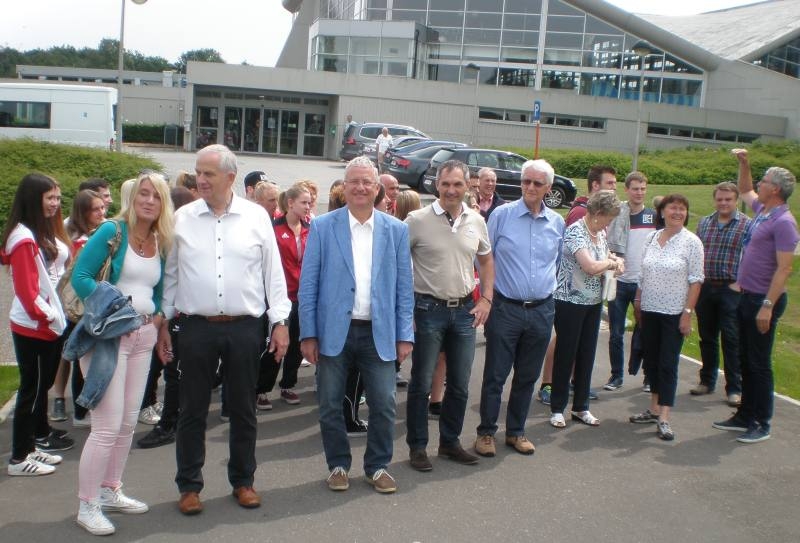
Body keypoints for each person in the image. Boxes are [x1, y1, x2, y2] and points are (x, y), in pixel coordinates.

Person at [158, 144, 291, 515]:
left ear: (230, 177)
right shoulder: (182, 218)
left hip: (245, 327)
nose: (200, 179)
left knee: (244, 408)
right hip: (196, 327)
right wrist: (165, 322)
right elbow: (172, 275)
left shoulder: (256, 217)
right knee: (192, 409)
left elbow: (272, 274)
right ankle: (189, 486)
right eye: (198, 172)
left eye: (209, 174)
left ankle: (243, 481)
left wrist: (279, 321)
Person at [298, 155, 414, 494]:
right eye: (354, 182)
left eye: (367, 182)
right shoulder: (323, 226)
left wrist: (405, 335)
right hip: (335, 332)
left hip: (379, 333)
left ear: (377, 189)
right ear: (344, 187)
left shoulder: (396, 230)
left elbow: (404, 288)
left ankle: (377, 466)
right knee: (331, 403)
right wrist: (308, 333)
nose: (361, 187)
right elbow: (309, 285)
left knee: (384, 403)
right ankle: (338, 465)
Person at [69, 172, 173, 535]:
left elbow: (156, 287)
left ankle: (111, 489)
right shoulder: (112, 231)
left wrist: (157, 315)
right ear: (134, 197)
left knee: (128, 422)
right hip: (108, 339)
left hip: (144, 336)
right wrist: (118, 311)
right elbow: (81, 277)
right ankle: (87, 503)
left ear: (163, 204)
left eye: (156, 196)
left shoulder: (160, 239)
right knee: (106, 426)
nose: (148, 201)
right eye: (143, 194)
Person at [405, 159, 494, 472]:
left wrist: (486, 298)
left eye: (458, 184)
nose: (451, 190)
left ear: (467, 185)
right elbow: (400, 266)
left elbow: (485, 262)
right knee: (421, 383)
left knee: (459, 383)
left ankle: (449, 442)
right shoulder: (416, 220)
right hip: (427, 309)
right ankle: (417, 447)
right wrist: (406, 309)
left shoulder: (476, 221)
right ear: (436, 185)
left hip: (465, 312)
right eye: (446, 184)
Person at [474, 159, 564, 457]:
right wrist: (488, 296)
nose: (530, 188)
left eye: (538, 183)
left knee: (527, 375)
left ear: (548, 188)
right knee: (496, 375)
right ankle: (486, 433)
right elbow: (484, 258)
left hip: (541, 310)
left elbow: (558, 263)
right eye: (526, 181)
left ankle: (515, 431)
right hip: (506, 308)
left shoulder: (557, 223)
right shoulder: (502, 215)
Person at [713, 150, 798, 444]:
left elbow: (785, 268)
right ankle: (745, 415)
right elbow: (746, 189)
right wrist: (744, 164)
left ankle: (763, 421)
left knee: (759, 362)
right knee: (745, 358)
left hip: (764, 299)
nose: (758, 184)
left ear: (775, 189)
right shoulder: (765, 211)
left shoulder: (785, 222)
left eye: (764, 181)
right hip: (747, 296)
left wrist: (767, 305)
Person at [2, 173, 72, 477]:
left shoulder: (35, 232)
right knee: (31, 390)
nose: (56, 204)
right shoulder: (23, 238)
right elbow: (28, 293)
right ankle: (19, 457)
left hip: (44, 324)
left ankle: (30, 447)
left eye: (58, 197)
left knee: (38, 387)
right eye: (50, 198)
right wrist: (52, 317)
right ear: (34, 199)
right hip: (34, 327)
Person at [630, 194, 704, 441]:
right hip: (649, 310)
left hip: (674, 313)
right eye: (673, 208)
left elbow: (696, 281)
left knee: (667, 364)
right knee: (651, 362)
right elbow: (643, 273)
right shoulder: (652, 238)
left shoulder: (691, 242)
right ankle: (653, 409)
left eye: (682, 209)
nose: (677, 212)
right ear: (662, 212)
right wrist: (638, 302)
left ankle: (664, 417)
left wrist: (687, 313)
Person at [550, 191, 622, 429]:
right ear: (598, 214)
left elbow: (603, 255)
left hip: (592, 302)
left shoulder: (599, 232)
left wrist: (614, 259)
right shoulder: (575, 231)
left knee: (587, 354)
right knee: (566, 354)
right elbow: (590, 266)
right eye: (608, 219)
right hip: (569, 301)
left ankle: (580, 407)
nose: (608, 224)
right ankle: (557, 407)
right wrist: (611, 264)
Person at [137, 186, 199, 450]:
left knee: (174, 371)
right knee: (171, 370)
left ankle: (169, 424)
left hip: (179, 315)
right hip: (170, 313)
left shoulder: (172, 238)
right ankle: (169, 420)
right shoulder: (163, 237)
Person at [692, 182, 752, 407]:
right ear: (714, 200)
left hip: (732, 289)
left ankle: (734, 388)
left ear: (736, 200)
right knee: (707, 337)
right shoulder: (705, 223)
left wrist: (741, 284)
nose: (724, 203)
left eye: (728, 199)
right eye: (720, 199)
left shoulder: (746, 225)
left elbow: (751, 258)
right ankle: (706, 380)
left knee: (731, 338)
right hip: (706, 286)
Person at [51, 189, 107, 426]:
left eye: (102, 208)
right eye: (96, 209)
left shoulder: (103, 230)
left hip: (91, 304)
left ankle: (83, 409)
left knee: (87, 356)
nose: (102, 212)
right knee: (74, 355)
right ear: (83, 212)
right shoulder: (70, 236)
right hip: (73, 305)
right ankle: (74, 409)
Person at [256, 183, 312, 410]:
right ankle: (262, 389)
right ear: (290, 203)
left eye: (310, 202)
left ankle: (288, 384)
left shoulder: (311, 228)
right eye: (304, 202)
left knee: (298, 344)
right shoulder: (273, 229)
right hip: (279, 297)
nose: (308, 207)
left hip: (303, 297)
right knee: (275, 346)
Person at [604, 171, 657, 391]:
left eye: (643, 188)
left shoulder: (653, 217)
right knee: (616, 333)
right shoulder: (617, 214)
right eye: (635, 188)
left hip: (642, 283)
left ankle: (647, 375)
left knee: (645, 330)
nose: (639, 192)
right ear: (627, 189)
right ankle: (616, 376)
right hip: (618, 280)